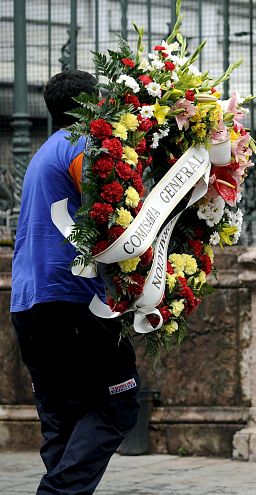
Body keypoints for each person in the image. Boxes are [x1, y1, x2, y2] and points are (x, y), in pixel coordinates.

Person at [11, 70, 141, 494]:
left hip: (28, 303)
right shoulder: (82, 144)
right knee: (118, 404)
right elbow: (107, 207)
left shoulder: (41, 154)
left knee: (62, 421)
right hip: (74, 301)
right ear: (92, 106)